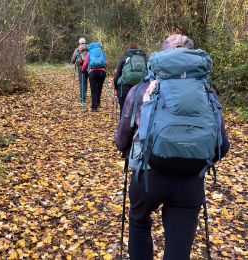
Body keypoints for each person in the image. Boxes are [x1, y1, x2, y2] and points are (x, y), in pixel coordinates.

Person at [115, 34, 230, 259]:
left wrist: (127, 148)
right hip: (190, 180)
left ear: (161, 56)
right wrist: (192, 155)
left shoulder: (141, 88)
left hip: (148, 175)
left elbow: (121, 139)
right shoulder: (206, 91)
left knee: (139, 222)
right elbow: (222, 146)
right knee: (179, 244)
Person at [114, 44, 147, 116]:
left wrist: (116, 87)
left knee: (123, 111)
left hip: (124, 88)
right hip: (140, 88)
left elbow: (117, 76)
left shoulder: (125, 58)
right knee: (138, 112)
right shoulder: (144, 58)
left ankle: (123, 126)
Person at [81, 42, 108, 112]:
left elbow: (85, 63)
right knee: (99, 88)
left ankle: (94, 107)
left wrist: (83, 70)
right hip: (102, 72)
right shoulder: (101, 52)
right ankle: (98, 103)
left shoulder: (89, 53)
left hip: (92, 72)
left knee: (93, 90)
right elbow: (106, 63)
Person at [71, 38, 88, 102]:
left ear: (79, 43)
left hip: (80, 67)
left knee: (81, 82)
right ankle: (84, 94)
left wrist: (74, 62)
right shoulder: (88, 49)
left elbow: (72, 60)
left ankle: (82, 97)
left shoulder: (77, 49)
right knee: (85, 81)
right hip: (88, 66)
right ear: (85, 42)